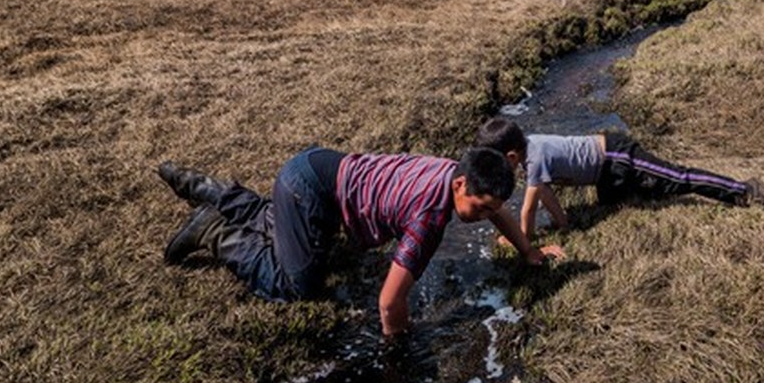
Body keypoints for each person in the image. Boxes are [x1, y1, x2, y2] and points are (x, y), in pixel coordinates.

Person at [157, 146, 562, 336]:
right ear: (461, 184)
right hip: (310, 191)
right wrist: (399, 346)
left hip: (317, 166)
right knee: (296, 284)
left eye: (491, 209)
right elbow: (389, 303)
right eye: (481, 208)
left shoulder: (452, 170)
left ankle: (202, 187)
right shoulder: (429, 218)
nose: (485, 217)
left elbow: (501, 209)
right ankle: (214, 233)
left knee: (283, 226)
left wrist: (527, 250)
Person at [475, 117, 764, 241]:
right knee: (636, 199)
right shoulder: (531, 150)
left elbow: (528, 209)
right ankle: (646, 190)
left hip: (617, 157)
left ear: (512, 156)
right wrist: (563, 224)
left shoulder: (536, 157)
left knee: (677, 178)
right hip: (604, 176)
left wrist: (522, 240)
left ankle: (745, 190)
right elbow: (545, 194)